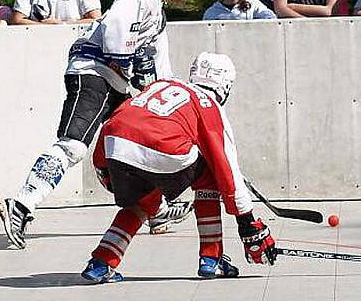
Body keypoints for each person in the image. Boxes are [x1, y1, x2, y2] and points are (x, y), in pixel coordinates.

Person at [0, 0, 206, 249]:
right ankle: (21, 204)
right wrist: (133, 67)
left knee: (136, 146)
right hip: (90, 73)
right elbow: (114, 37)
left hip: (115, 84)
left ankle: (156, 211)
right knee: (73, 146)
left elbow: (161, 72)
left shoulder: (158, 16)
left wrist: (172, 106)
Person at [80, 52, 277, 283]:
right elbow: (226, 168)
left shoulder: (163, 84)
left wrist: (104, 169)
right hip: (161, 150)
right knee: (209, 177)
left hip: (114, 150)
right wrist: (247, 221)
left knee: (142, 202)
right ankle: (211, 258)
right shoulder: (208, 104)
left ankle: (101, 262)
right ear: (225, 83)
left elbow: (121, 120)